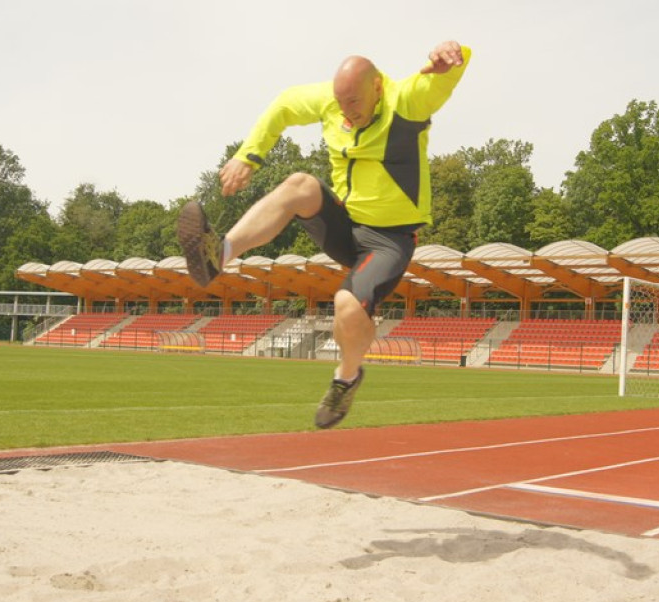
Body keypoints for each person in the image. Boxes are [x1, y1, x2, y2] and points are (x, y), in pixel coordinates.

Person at [178, 40, 471, 429]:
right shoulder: (332, 101)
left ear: (378, 87)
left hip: (388, 239)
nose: (346, 113)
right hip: (344, 224)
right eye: (340, 103)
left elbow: (448, 74)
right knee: (300, 184)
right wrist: (248, 155)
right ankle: (220, 253)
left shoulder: (408, 101)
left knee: (347, 305)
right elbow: (283, 104)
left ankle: (346, 378)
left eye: (354, 103)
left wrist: (453, 55)